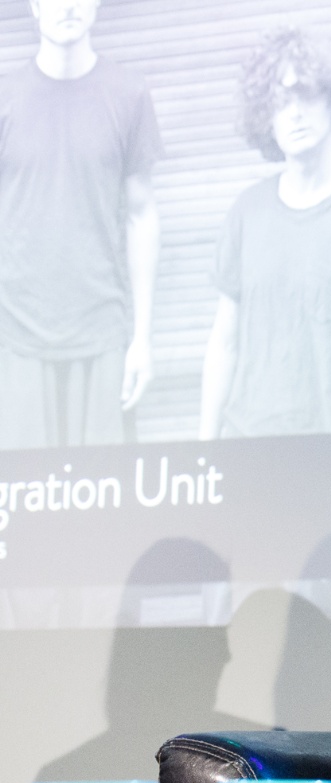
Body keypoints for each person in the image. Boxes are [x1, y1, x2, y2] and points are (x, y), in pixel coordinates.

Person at [197, 28, 331, 440]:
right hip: (247, 447)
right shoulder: (247, 211)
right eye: (280, 103)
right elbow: (223, 344)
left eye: (308, 95)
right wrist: (204, 452)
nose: (295, 112)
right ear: (266, 119)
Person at [0, 0, 160, 450]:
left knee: (106, 500)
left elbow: (141, 214)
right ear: (32, 6)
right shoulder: (5, 98)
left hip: (102, 336)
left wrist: (142, 340)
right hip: (16, 339)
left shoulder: (129, 94)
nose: (66, 5)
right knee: (25, 504)